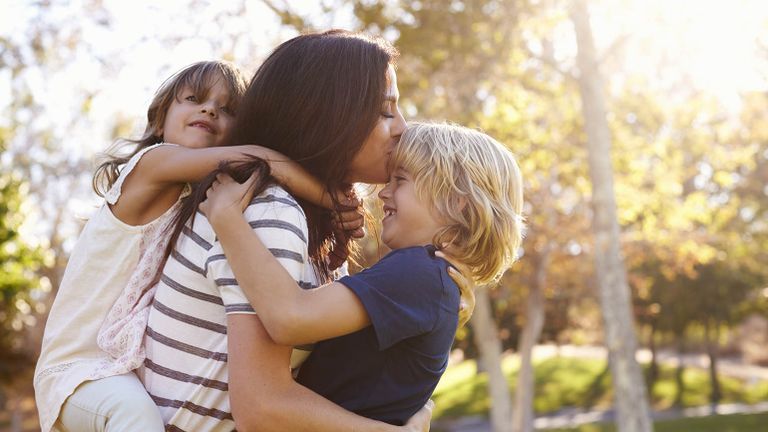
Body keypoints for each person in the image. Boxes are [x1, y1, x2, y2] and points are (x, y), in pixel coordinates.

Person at [139, 30, 435, 431]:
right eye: (385, 112)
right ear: (327, 115)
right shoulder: (267, 211)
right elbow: (261, 408)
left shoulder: (303, 218)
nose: (402, 127)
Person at [33, 60, 347, 432]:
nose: (210, 109)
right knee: (136, 417)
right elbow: (260, 160)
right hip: (79, 368)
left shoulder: (196, 201)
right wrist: (335, 201)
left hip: (123, 366)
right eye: (194, 98)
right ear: (159, 121)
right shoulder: (151, 164)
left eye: (227, 109)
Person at [202, 121, 526, 425]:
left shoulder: (419, 271)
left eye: (401, 180)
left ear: (457, 204)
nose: (384, 192)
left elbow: (290, 317)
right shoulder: (433, 278)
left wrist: (227, 218)